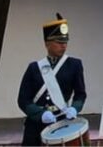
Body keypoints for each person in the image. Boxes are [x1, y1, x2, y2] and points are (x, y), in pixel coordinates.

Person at [17, 13, 87, 146]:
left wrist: (74, 108)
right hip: (36, 125)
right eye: (59, 42)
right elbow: (23, 100)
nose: (63, 46)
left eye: (65, 42)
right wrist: (40, 114)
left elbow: (80, 94)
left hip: (62, 122)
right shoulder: (34, 68)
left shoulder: (74, 65)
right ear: (47, 43)